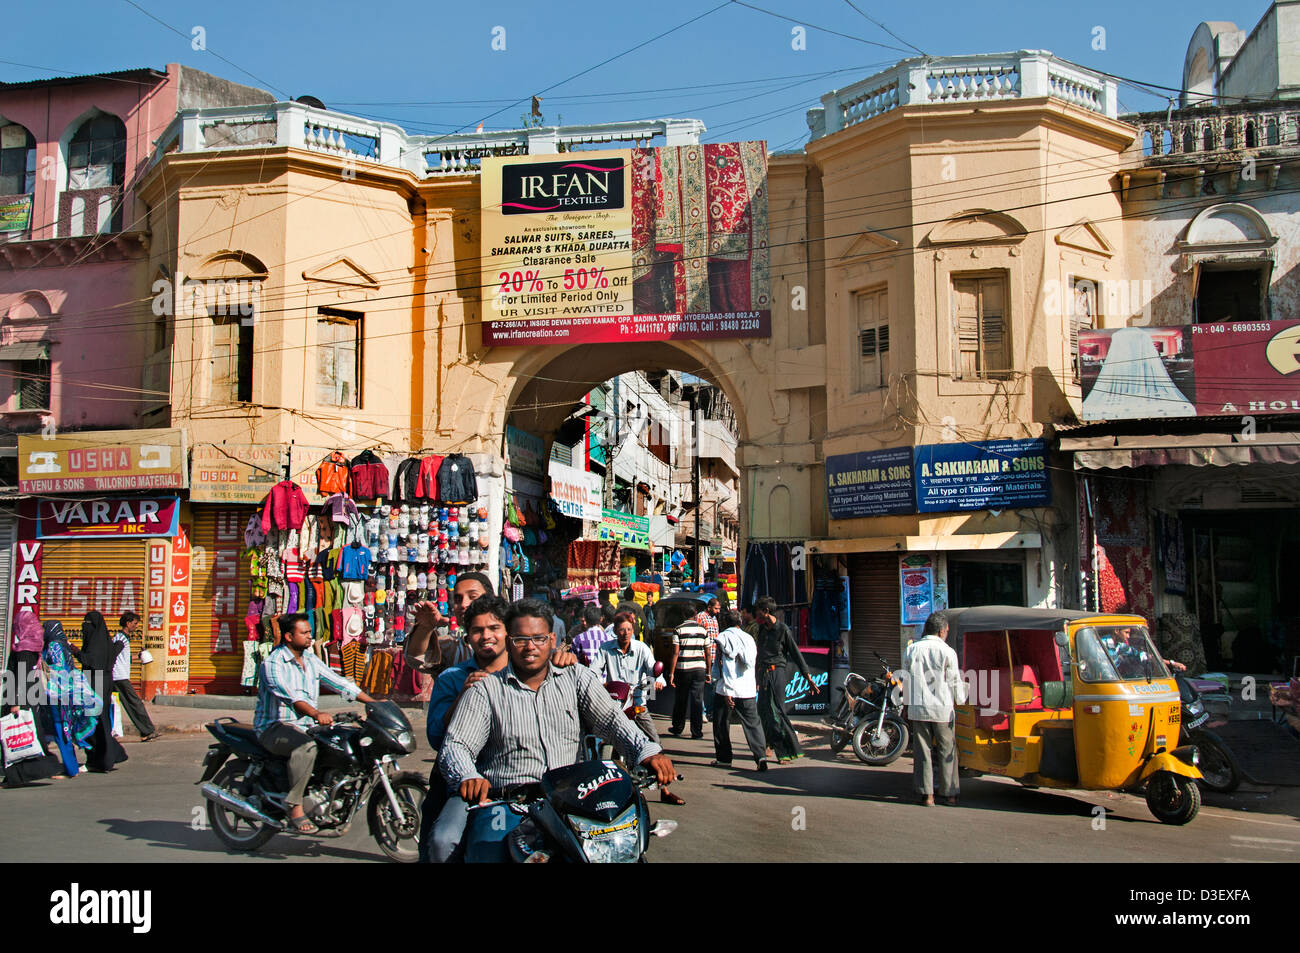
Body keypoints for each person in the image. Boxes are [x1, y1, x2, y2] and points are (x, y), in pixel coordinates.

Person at [439, 599, 675, 861]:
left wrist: (647, 751)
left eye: (539, 638)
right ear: (508, 642)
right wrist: (468, 776)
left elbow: (612, 720)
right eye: (520, 639)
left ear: (552, 639)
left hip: (573, 804)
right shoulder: (485, 691)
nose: (530, 647)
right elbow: (457, 745)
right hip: (509, 806)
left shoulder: (576, 677)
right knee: (487, 854)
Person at [254, 612, 376, 833]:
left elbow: (339, 683)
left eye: (310, 632)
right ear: (289, 636)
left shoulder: (310, 659)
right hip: (274, 727)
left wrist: (374, 703)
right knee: (306, 747)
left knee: (341, 742)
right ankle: (294, 806)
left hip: (306, 727)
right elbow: (291, 697)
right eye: (305, 633)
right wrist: (315, 713)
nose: (310, 636)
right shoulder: (273, 663)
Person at [421, 595, 511, 863]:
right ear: (467, 636)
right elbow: (436, 737)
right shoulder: (452, 679)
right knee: (442, 841)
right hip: (468, 788)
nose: (486, 636)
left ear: (508, 631)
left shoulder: (525, 673)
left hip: (520, 781)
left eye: (494, 628)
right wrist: (463, 695)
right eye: (477, 630)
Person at [595, 611, 683, 805]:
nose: (625, 633)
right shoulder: (605, 650)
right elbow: (594, 671)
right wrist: (597, 684)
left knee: (654, 744)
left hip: (637, 704)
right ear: (615, 632)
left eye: (628, 629)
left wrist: (658, 680)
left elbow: (653, 668)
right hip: (614, 706)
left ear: (632, 630)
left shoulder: (642, 648)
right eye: (621, 630)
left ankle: (665, 790)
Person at [903, 610, 966, 807]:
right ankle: (950, 794)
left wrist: (906, 704)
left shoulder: (912, 650)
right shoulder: (948, 652)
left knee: (923, 752)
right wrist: (961, 701)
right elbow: (955, 681)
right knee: (947, 750)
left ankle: (927, 795)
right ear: (941, 631)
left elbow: (907, 680)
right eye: (946, 630)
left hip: (919, 708)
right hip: (942, 709)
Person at [2, 610, 64, 787]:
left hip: (20, 699)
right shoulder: (34, 645)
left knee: (16, 738)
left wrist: (15, 703)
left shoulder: (23, 649)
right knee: (30, 736)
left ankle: (14, 776)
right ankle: (46, 768)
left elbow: (20, 677)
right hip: (29, 697)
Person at [753, 596, 819, 763]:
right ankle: (769, 744)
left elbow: (796, 655)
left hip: (777, 674)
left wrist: (808, 677)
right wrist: (756, 678)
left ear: (766, 611)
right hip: (763, 675)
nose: (757, 614)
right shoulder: (762, 630)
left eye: (759, 611)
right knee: (763, 712)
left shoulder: (783, 630)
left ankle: (787, 751)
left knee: (777, 713)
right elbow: (759, 655)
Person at [710, 609, 767, 771]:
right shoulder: (749, 638)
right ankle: (760, 756)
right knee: (753, 723)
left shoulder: (724, 637)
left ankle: (724, 758)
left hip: (727, 689)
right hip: (747, 688)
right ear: (740, 622)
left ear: (724, 623)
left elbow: (727, 665)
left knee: (721, 723)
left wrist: (728, 690)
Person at [404, 572, 495, 674]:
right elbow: (417, 658)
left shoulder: (507, 645)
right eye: (458, 599)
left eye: (473, 596)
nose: (463, 604)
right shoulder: (450, 648)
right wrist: (425, 627)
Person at [39, 621, 97, 777]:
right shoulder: (63, 644)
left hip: (59, 695)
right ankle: (69, 767)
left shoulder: (54, 646)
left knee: (61, 731)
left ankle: (71, 769)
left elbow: (58, 671)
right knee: (63, 731)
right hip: (66, 694)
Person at [75, 611, 128, 773]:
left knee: (93, 723)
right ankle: (111, 754)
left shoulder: (96, 646)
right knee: (100, 722)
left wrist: (74, 651)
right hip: (102, 684)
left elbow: (90, 661)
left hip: (95, 684)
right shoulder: (104, 643)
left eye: (88, 623)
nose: (85, 626)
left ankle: (98, 760)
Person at [111, 612, 159, 742]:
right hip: (119, 677)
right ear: (128, 624)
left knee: (129, 704)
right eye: (135, 623)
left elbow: (122, 658)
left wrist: (138, 656)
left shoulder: (122, 638)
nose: (136, 626)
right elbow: (112, 654)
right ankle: (148, 731)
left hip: (119, 676)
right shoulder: (121, 639)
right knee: (135, 703)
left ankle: (145, 731)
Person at [667, 618, 711, 740]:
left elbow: (675, 652)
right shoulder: (703, 630)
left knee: (681, 699)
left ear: (683, 615)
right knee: (697, 701)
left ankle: (677, 727)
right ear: (695, 615)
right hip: (699, 669)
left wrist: (671, 673)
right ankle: (696, 732)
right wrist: (708, 672)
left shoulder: (678, 629)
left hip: (683, 669)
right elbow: (708, 653)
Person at [692, 598, 721, 720]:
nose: (718, 611)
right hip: (703, 657)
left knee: (712, 686)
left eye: (719, 609)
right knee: (702, 686)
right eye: (716, 608)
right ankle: (702, 712)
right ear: (709, 607)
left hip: (714, 657)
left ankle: (710, 711)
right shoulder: (701, 617)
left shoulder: (714, 619)